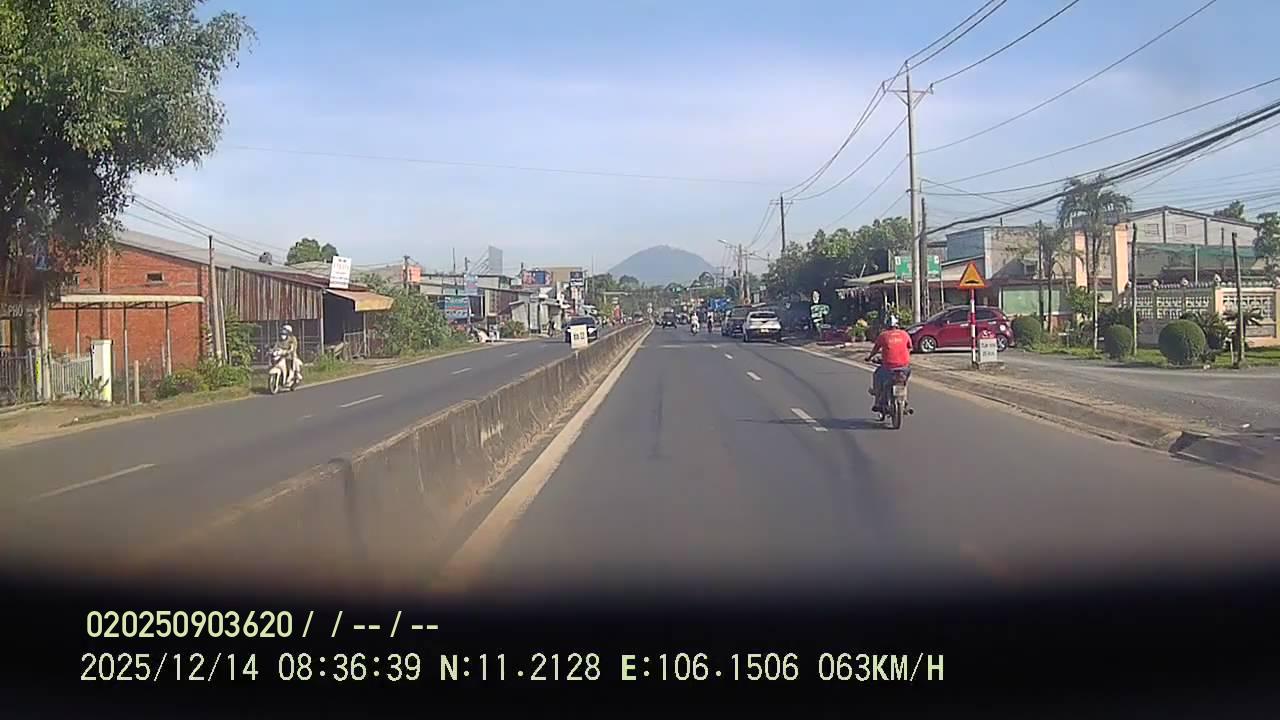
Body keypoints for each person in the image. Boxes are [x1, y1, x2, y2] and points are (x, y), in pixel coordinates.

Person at [866, 315, 911, 413]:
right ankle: (905, 401)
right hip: (904, 367)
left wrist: (869, 357)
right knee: (904, 383)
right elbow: (909, 347)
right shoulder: (904, 334)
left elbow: (875, 349)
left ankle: (877, 400)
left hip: (889, 367)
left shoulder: (883, 335)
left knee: (877, 375)